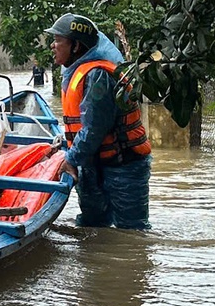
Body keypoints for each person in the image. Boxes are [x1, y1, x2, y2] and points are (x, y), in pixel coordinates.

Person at [48, 13, 151, 230]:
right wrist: (65, 145)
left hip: (123, 166)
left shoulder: (99, 75)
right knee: (92, 228)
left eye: (58, 40)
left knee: (131, 232)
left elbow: (94, 129)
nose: (52, 45)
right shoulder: (78, 72)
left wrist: (71, 159)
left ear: (76, 46)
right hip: (93, 165)